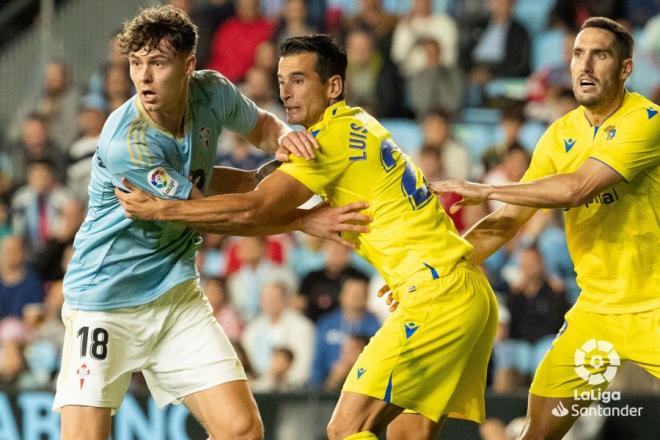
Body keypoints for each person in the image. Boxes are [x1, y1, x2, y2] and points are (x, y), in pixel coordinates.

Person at [116, 34, 498, 440]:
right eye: (281, 81)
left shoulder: (327, 141)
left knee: (346, 428)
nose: (285, 93)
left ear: (333, 87)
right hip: (468, 292)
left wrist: (166, 210)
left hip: (435, 297)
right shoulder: (359, 123)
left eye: (298, 80)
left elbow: (254, 209)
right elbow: (252, 185)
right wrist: (184, 180)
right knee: (407, 435)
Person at [53, 7, 365, 440]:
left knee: (242, 430)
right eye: (136, 63)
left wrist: (282, 140)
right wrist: (304, 219)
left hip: (174, 295)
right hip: (105, 302)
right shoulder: (129, 140)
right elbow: (216, 213)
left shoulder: (213, 92)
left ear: (188, 66)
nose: (143, 77)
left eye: (157, 63)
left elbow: (260, 126)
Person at [431, 17, 659, 439]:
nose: (585, 66)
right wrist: (438, 268)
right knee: (536, 433)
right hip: (596, 313)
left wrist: (490, 187)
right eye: (577, 54)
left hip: (655, 307)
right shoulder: (559, 136)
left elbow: (576, 189)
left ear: (625, 69)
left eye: (600, 55)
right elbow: (507, 220)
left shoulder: (646, 121)